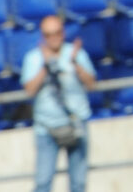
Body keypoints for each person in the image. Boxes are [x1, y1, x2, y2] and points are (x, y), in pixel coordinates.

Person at [21, 16, 96, 192]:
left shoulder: (75, 53)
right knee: (43, 182)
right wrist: (46, 66)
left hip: (76, 123)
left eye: (57, 33)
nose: (53, 38)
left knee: (78, 182)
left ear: (63, 33)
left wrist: (75, 63)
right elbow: (30, 90)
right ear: (42, 36)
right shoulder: (33, 58)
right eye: (48, 35)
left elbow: (91, 84)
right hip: (46, 128)